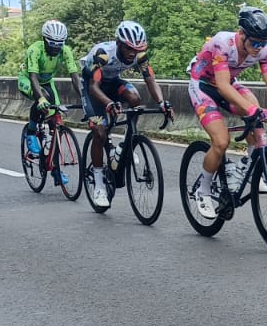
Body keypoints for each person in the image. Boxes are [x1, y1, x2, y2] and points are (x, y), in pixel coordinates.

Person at [184, 6, 267, 220]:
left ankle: (247, 166)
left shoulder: (264, 49)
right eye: (254, 42)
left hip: (228, 83)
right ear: (241, 34)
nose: (259, 48)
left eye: (263, 43)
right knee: (221, 142)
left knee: (254, 108)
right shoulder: (223, 43)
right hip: (203, 86)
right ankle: (203, 191)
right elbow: (221, 86)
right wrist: (251, 110)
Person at [78, 20, 171, 208]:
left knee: (135, 100)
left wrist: (162, 103)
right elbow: (94, 87)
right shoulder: (103, 54)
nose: (133, 54)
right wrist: (109, 103)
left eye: (137, 49)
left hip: (112, 81)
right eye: (129, 48)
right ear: (119, 43)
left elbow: (150, 80)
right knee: (100, 131)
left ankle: (122, 147)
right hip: (92, 86)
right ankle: (98, 184)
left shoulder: (140, 55)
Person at [18, 19, 79, 175]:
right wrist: (42, 100)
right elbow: (33, 77)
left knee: (56, 123)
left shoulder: (65, 51)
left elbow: (74, 77)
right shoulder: (35, 50)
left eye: (59, 44)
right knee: (43, 99)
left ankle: (55, 168)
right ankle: (31, 132)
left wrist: (84, 98)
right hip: (28, 80)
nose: (55, 48)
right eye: (52, 44)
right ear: (44, 39)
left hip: (47, 82)